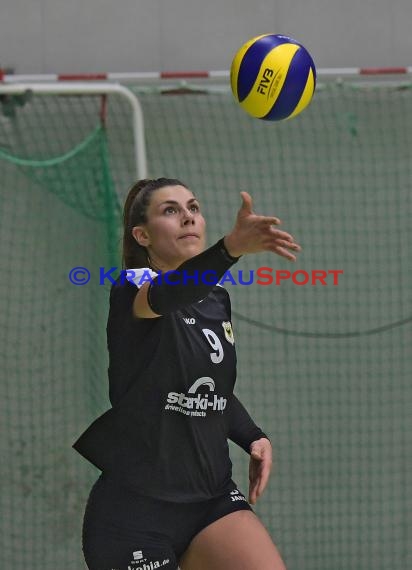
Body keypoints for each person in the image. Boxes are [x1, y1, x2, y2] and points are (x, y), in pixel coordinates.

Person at [73, 177, 301, 570]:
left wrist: (253, 436)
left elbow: (207, 388)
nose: (188, 218)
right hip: (136, 515)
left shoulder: (215, 300)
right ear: (142, 235)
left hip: (210, 499)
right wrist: (229, 250)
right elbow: (168, 294)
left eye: (193, 208)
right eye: (171, 210)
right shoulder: (134, 286)